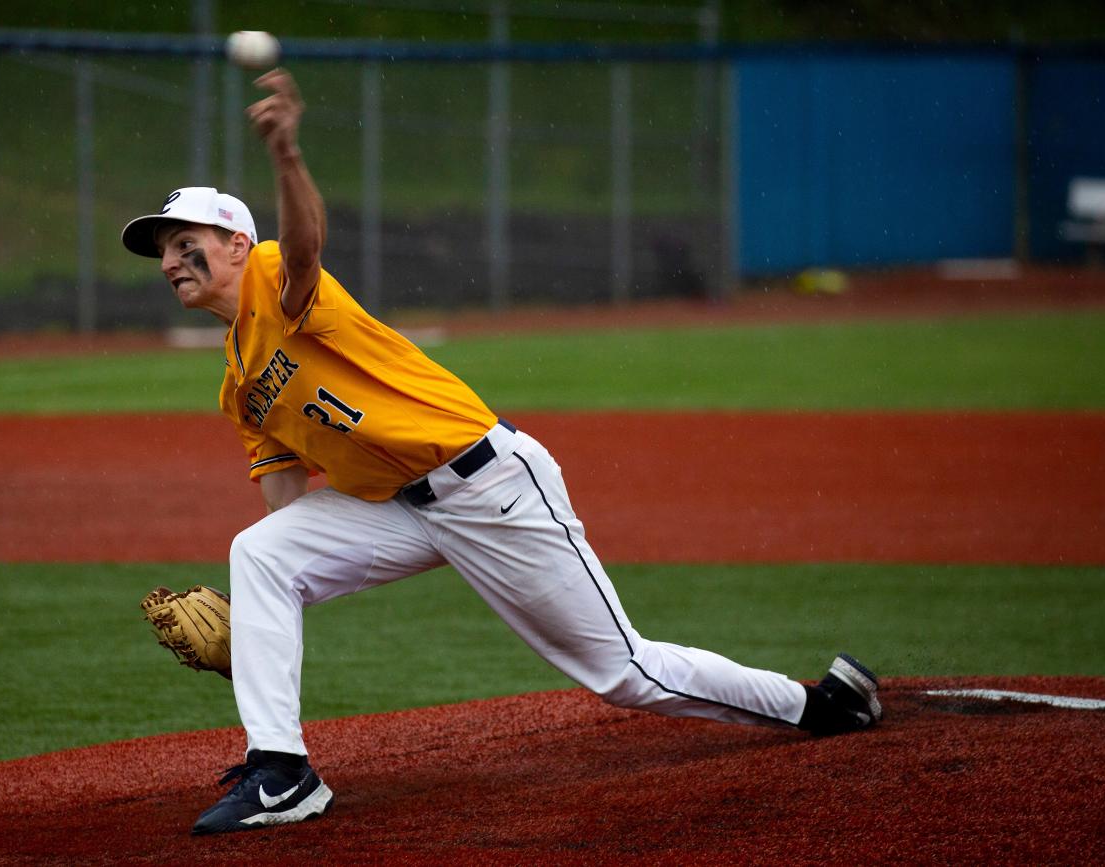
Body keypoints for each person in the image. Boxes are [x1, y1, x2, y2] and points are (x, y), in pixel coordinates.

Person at [120, 68, 882, 837]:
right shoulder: (240, 384)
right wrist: (259, 620)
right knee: (258, 555)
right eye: (164, 255)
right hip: (397, 509)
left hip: (489, 488)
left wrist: (287, 155)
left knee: (624, 672)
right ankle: (283, 772)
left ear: (237, 241)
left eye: (187, 244)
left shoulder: (273, 275)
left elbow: (310, 244)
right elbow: (288, 507)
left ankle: (818, 704)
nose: (172, 262)